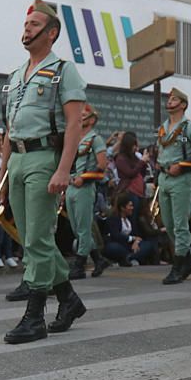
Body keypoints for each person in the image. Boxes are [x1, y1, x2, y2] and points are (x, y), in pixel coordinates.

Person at [0, 0, 88, 344]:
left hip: (43, 159)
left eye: (34, 25)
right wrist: (3, 174)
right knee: (33, 238)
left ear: (51, 33)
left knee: (36, 238)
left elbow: (74, 124)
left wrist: (63, 169)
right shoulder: (16, 75)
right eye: (25, 25)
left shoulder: (64, 71)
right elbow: (9, 128)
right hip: (19, 159)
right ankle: (68, 298)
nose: (27, 30)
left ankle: (35, 315)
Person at [155, 88, 191, 285]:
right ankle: (186, 259)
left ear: (183, 104)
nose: (169, 102)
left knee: (180, 224)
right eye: (169, 99)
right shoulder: (163, 127)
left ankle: (178, 265)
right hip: (164, 178)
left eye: (174, 99)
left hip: (181, 179)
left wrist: (182, 166)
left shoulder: (190, 127)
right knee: (169, 224)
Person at [65, 103, 110, 279]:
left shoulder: (95, 139)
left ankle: (80, 265)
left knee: (83, 228)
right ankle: (98, 259)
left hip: (84, 187)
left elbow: (102, 166)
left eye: (84, 115)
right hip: (70, 185)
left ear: (92, 120)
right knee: (77, 229)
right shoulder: (73, 138)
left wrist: (84, 177)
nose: (80, 117)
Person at [104, 193, 157, 266]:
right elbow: (115, 235)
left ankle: (129, 258)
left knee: (148, 245)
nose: (132, 208)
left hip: (130, 246)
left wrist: (136, 241)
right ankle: (129, 258)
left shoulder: (130, 219)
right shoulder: (113, 218)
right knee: (112, 247)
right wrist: (132, 238)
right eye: (130, 206)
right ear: (122, 208)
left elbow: (137, 235)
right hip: (119, 244)